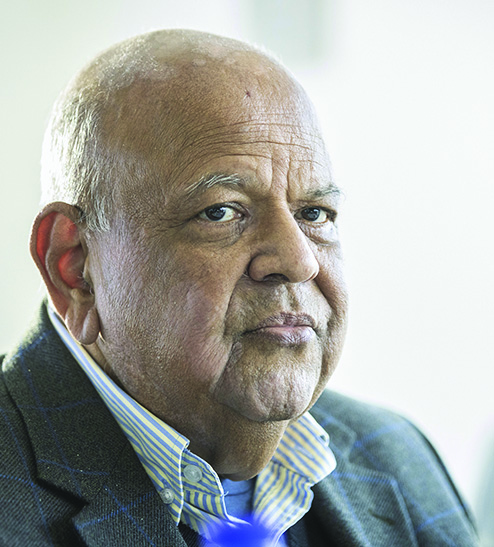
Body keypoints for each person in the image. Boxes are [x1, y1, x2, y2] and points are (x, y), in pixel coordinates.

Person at [0, 29, 477, 546]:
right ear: (75, 269)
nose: (299, 261)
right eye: (221, 212)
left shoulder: (398, 458)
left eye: (315, 214)